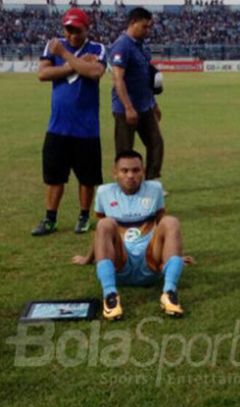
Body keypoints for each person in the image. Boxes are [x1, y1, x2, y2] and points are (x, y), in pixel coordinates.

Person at [72, 150, 187, 320]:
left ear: (143, 172)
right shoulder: (104, 192)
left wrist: (175, 256)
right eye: (124, 170)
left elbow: (162, 224)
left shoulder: (155, 189)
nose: (130, 175)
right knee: (105, 223)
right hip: (120, 264)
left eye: (135, 170)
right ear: (115, 173)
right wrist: (88, 258)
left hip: (151, 264)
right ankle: (110, 296)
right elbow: (100, 233)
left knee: (171, 221)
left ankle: (169, 293)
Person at [31, 8, 107, 236]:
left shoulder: (97, 48)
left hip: (86, 128)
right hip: (58, 126)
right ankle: (50, 218)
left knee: (87, 177)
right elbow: (43, 74)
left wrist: (64, 55)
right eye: (68, 29)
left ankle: (84, 216)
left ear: (86, 28)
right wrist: (75, 64)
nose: (72, 34)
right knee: (54, 177)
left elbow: (95, 72)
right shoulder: (52, 45)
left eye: (77, 29)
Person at [109, 8, 166, 187]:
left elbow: (145, 78)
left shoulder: (141, 46)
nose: (147, 31)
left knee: (156, 143)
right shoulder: (122, 46)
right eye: (144, 27)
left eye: (149, 27)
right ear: (133, 23)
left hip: (145, 106)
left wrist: (154, 103)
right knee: (125, 151)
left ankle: (150, 183)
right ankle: (124, 185)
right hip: (126, 109)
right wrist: (128, 107)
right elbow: (118, 78)